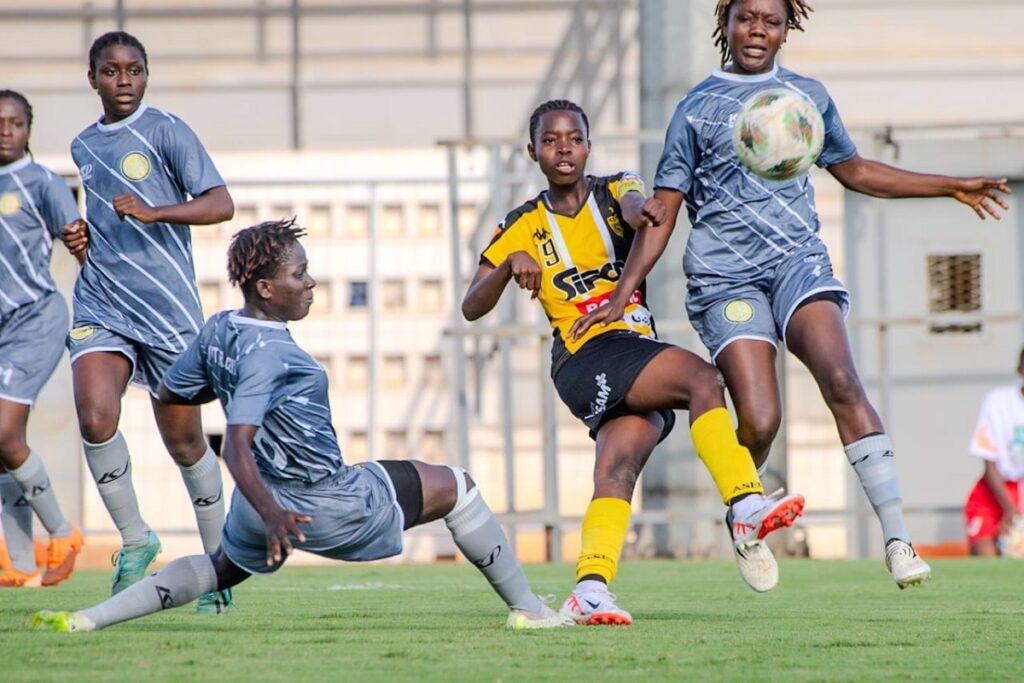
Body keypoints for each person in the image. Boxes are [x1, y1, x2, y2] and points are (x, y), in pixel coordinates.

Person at [571, 0, 1011, 589]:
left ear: (787, 29)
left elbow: (856, 171)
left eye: (771, 21)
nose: (758, 31)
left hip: (797, 264)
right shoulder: (696, 109)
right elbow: (665, 211)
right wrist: (624, 291)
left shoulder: (806, 98)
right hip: (726, 278)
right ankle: (743, 515)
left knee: (842, 379)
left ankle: (898, 540)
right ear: (725, 21)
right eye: (747, 17)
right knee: (760, 418)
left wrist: (949, 185)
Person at [31, 218, 572, 632]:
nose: (310, 281)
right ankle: (529, 610)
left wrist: (257, 498)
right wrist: (276, 514)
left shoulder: (221, 327)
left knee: (220, 567)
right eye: (298, 273)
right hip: (318, 502)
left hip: (257, 503)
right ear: (266, 288)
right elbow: (237, 445)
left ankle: (88, 619)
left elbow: (173, 390)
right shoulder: (271, 354)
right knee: (458, 485)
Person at [461, 99, 805, 625]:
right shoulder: (523, 223)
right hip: (584, 355)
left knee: (617, 469)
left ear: (588, 146)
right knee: (701, 379)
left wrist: (643, 210)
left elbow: (636, 204)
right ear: (533, 152)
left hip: (628, 354)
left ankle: (590, 588)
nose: (563, 149)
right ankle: (744, 505)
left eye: (573, 138)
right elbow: (471, 306)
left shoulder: (615, 187)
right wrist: (509, 263)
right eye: (551, 141)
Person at [60, 31, 235, 612]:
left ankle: (218, 570)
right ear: (93, 80)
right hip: (102, 302)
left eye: (134, 70)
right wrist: (83, 241)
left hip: (168, 309)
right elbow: (107, 225)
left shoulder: (167, 131)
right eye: (111, 72)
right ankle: (137, 540)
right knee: (94, 413)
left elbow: (220, 202)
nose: (124, 80)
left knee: (184, 441)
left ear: (146, 74)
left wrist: (157, 211)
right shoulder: (83, 145)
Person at [0, 90, 85, 588]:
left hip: (37, 320)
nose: (5, 130)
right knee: (3, 442)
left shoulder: (41, 183)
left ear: (28, 128)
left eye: (14, 123)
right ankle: (19, 562)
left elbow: (80, 247)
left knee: (5, 434)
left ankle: (62, 534)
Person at [964, 347, 1024, 556]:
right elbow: (989, 465)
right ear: (1020, 369)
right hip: (994, 490)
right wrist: (1009, 508)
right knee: (985, 554)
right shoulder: (998, 402)